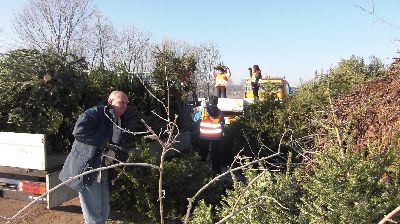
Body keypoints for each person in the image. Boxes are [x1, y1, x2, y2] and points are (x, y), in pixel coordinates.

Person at [59, 90, 129, 224]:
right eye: (121, 102)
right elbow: (79, 131)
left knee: (104, 211)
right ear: (110, 102)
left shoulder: (121, 120)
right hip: (88, 167)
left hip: (104, 169)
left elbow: (120, 142)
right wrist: (103, 142)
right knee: (93, 215)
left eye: (126, 103)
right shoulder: (96, 113)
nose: (124, 106)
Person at [193, 95, 225, 172]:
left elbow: (195, 119)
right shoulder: (220, 112)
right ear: (216, 103)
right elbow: (223, 123)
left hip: (204, 136)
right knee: (216, 154)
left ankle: (200, 171)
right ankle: (216, 171)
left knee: (203, 154)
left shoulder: (202, 111)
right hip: (217, 137)